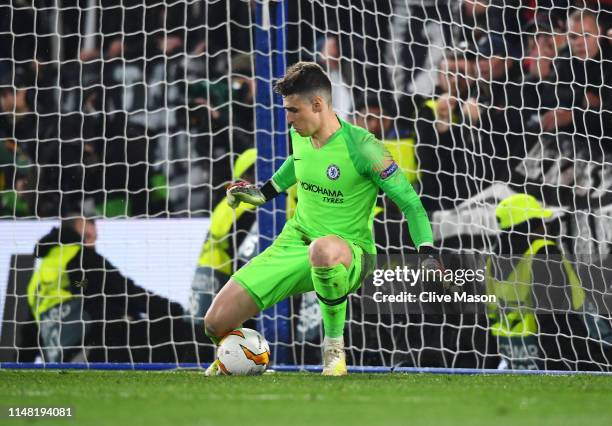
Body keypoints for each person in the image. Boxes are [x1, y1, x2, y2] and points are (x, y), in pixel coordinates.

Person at [203, 62, 436, 376]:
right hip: (293, 244)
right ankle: (247, 361)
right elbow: (296, 165)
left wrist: (426, 252)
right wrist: (257, 194)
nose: (288, 118)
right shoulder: (299, 134)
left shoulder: (364, 147)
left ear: (318, 104)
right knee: (215, 322)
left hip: (351, 252)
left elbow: (411, 204)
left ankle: (334, 351)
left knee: (323, 250)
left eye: (293, 110)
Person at [27, 211, 189, 363]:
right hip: (95, 346)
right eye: (89, 236)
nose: (93, 242)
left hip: (59, 357)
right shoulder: (81, 256)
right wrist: (172, 309)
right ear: (77, 232)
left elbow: (29, 332)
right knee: (169, 332)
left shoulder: (38, 277)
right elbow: (125, 291)